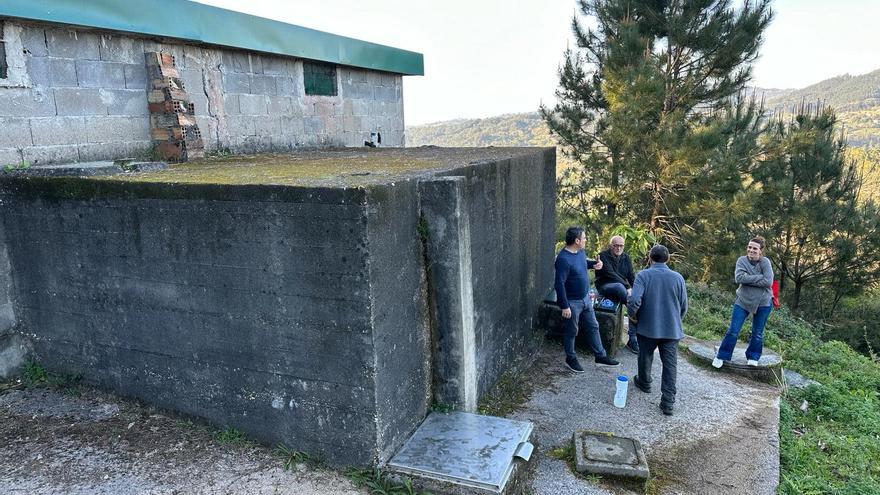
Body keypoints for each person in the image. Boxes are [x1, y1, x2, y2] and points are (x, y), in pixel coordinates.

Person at [627, 245, 688, 416]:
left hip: (647, 327)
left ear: (650, 257)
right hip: (672, 330)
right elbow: (684, 306)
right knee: (670, 364)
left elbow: (634, 301)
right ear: (667, 259)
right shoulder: (678, 278)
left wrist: (633, 316)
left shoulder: (643, 275)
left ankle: (645, 382)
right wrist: (675, 320)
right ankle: (668, 402)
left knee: (645, 355)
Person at [554, 227, 620, 372]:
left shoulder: (580, 252)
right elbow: (559, 284)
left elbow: (583, 264)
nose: (585, 240)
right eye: (583, 238)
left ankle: (600, 356)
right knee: (571, 331)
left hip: (585, 298)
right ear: (577, 241)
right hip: (572, 302)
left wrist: (595, 265)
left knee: (593, 326)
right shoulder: (563, 260)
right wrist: (564, 306)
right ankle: (570, 358)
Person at [712, 237, 773, 368]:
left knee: (757, 332)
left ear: (761, 251)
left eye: (755, 248)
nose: (751, 250)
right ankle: (722, 355)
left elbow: (768, 281)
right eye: (749, 247)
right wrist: (759, 278)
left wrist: (748, 279)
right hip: (743, 300)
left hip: (763, 302)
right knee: (733, 330)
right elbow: (739, 278)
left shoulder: (765, 262)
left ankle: (753, 356)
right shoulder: (741, 260)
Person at [595, 235, 638, 353]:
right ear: (611, 246)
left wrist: (636, 291)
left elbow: (631, 276)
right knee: (622, 290)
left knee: (634, 300)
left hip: (622, 289)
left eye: (621, 246)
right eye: (616, 245)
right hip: (605, 286)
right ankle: (634, 336)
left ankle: (633, 338)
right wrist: (628, 287)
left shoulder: (626, 258)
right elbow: (610, 274)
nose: (618, 248)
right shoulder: (603, 255)